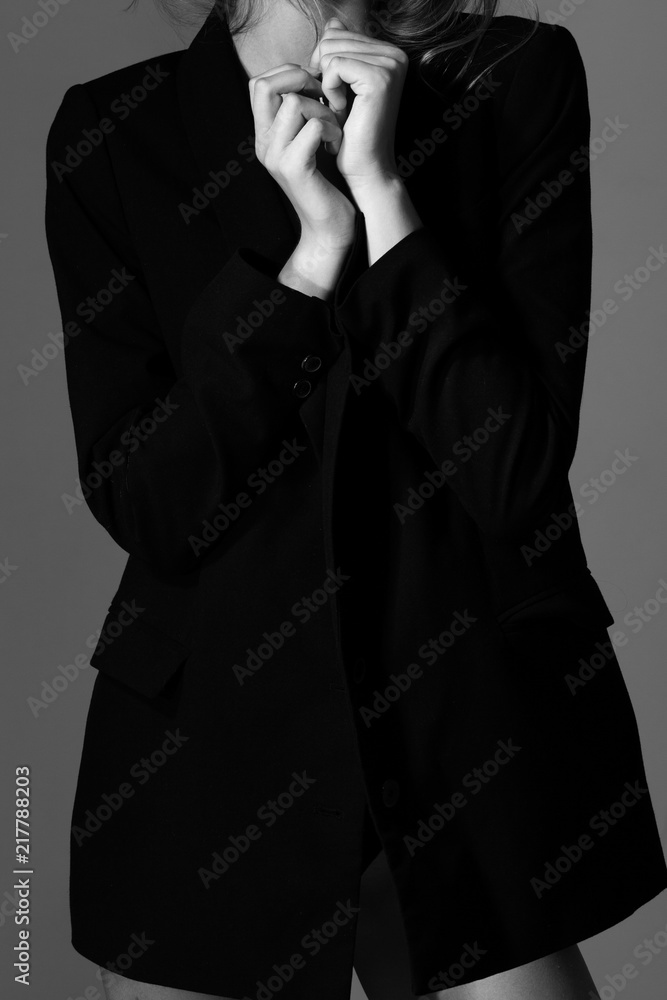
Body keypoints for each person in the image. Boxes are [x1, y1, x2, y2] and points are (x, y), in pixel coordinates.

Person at [44, 1, 667, 999]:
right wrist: (304, 265)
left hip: (470, 728)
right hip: (213, 747)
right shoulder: (114, 130)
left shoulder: (513, 75)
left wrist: (382, 200)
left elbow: (515, 472)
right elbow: (152, 506)